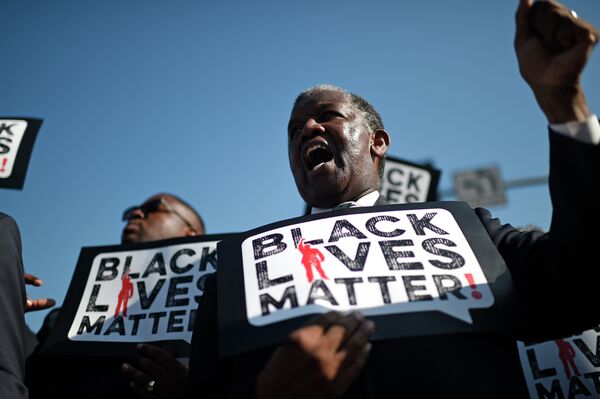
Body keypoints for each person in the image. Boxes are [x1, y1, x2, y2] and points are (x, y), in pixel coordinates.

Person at [188, 1, 600, 397]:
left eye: (328, 116)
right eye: (294, 129)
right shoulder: (238, 271)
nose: (307, 128)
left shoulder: (466, 231)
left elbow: (581, 285)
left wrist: (564, 106)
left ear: (378, 142)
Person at [27, 193, 205, 399]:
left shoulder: (218, 313)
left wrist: (193, 393)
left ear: (190, 233)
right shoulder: (65, 319)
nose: (136, 213)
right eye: (131, 211)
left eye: (154, 208)